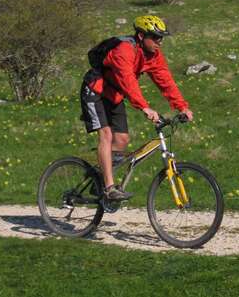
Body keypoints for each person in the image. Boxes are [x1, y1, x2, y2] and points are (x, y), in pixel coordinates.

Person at [80, 15, 193, 201]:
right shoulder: (123, 50)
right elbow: (128, 81)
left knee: (122, 140)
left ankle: (98, 177)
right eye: (155, 37)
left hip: (114, 95)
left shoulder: (154, 56)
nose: (159, 42)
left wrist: (182, 106)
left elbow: (165, 81)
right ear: (141, 36)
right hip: (95, 90)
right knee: (106, 135)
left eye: (161, 38)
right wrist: (144, 107)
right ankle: (108, 187)